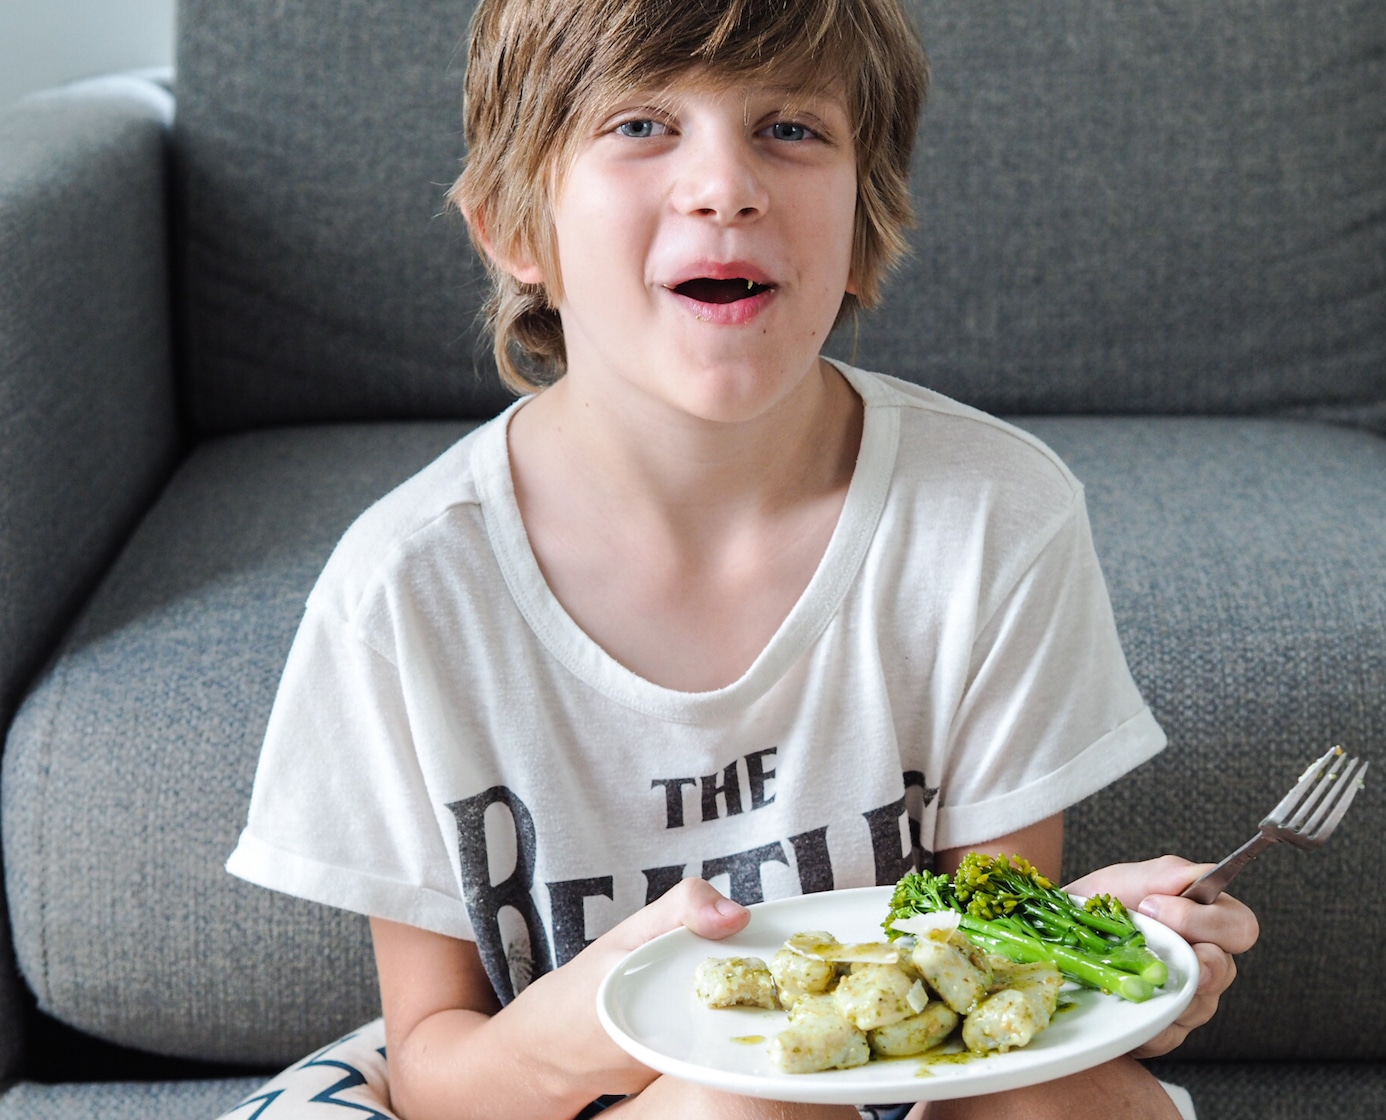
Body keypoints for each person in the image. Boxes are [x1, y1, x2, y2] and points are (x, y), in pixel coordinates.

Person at [226, 0, 1258, 1117]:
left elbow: (983, 990)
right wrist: (596, 1023)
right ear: (514, 231)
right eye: (638, 126)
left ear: (865, 226)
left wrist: (1098, 951)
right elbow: (438, 1076)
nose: (725, 186)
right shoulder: (407, 589)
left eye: (789, 129)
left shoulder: (994, 516)